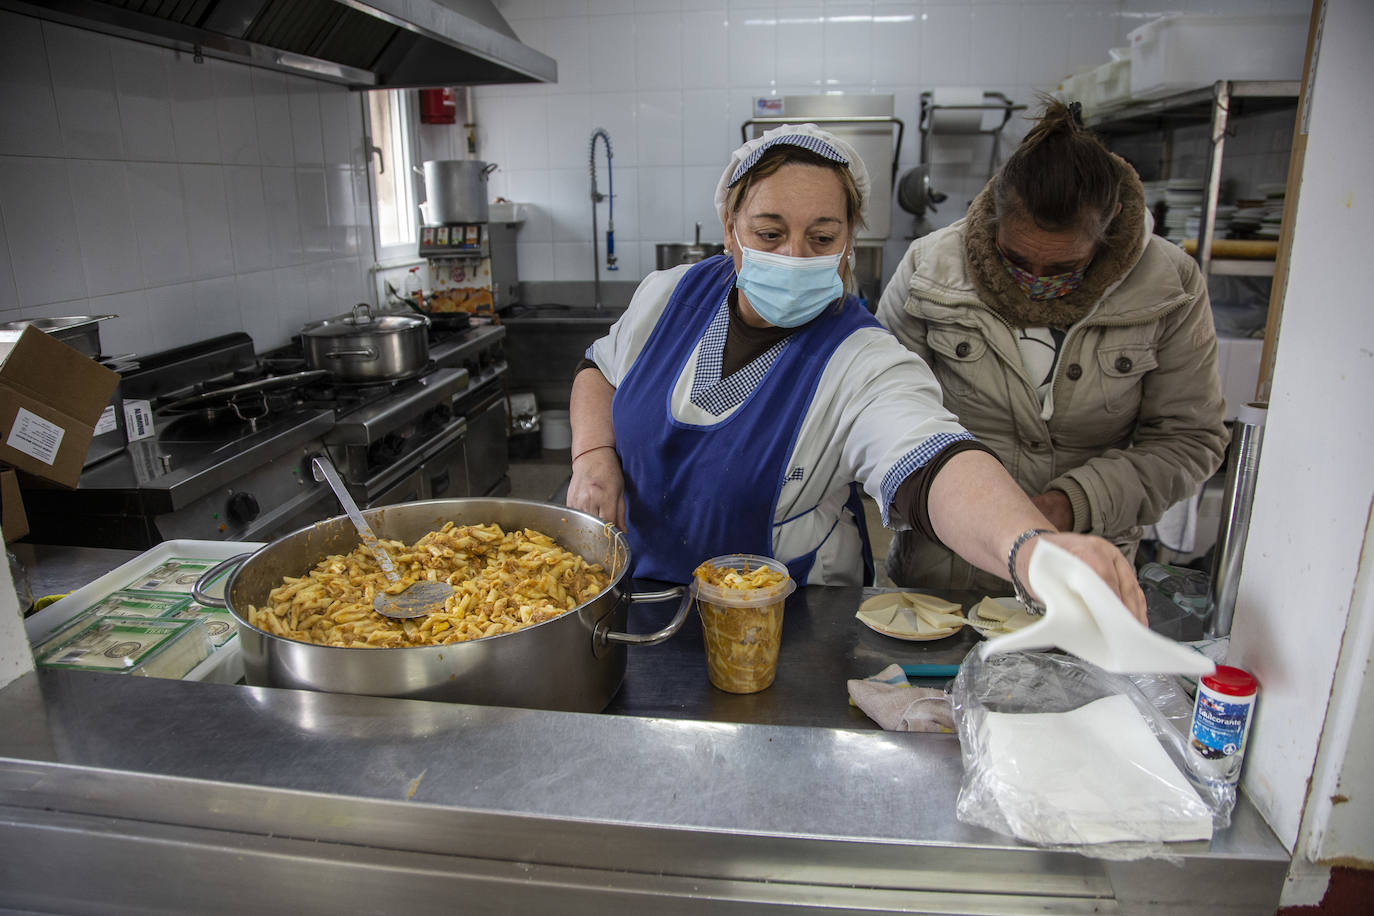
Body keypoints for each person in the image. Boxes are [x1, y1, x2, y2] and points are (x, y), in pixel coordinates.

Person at [567, 122, 1147, 621]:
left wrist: (1029, 548)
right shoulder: (669, 295)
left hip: (788, 627)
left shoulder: (862, 358)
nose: (794, 257)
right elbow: (601, 370)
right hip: (631, 597)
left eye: (822, 237)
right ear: (729, 228)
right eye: (769, 234)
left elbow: (933, 461)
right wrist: (594, 455)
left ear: (848, 244)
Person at [876, 101, 1228, 594]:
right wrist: (983, 515)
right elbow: (886, 416)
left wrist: (1074, 501)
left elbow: (1190, 438)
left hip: (1081, 572)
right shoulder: (930, 270)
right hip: (946, 570)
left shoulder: (1169, 286)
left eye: (1064, 267)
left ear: (1111, 228)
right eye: (1015, 258)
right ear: (995, 215)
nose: (1035, 281)